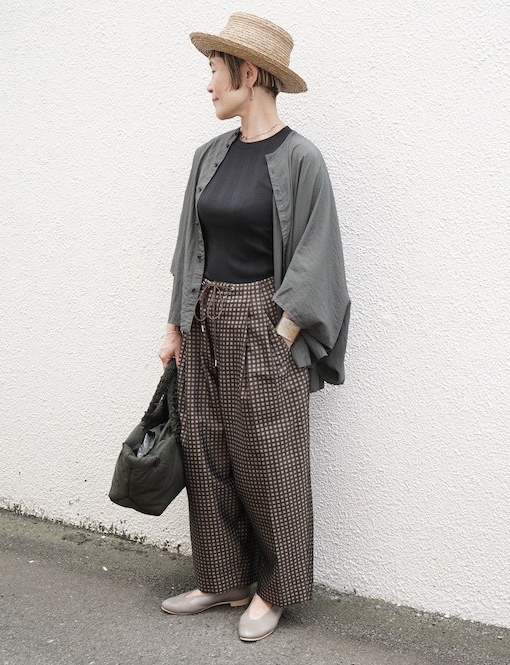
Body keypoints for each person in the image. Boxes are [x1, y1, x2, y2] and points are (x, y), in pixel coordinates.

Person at [156, 13, 350, 642]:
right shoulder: (208, 157)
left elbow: (319, 251)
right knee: (206, 450)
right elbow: (189, 247)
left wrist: (284, 330)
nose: (209, 84)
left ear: (249, 72)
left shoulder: (301, 159)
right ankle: (224, 578)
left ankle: (274, 589)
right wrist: (175, 324)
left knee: (271, 458)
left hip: (265, 321)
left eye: (215, 70)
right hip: (204, 319)